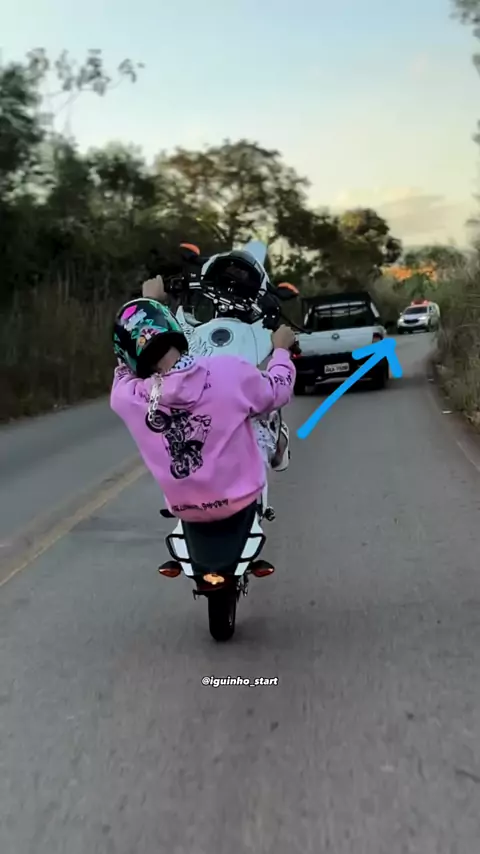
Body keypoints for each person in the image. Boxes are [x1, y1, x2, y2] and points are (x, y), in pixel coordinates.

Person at [110, 276, 296, 523]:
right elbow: (279, 388)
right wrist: (281, 350)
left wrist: (148, 305)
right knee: (261, 411)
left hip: (185, 510)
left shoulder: (127, 397)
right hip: (241, 501)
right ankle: (277, 445)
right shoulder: (230, 373)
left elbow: (124, 363)